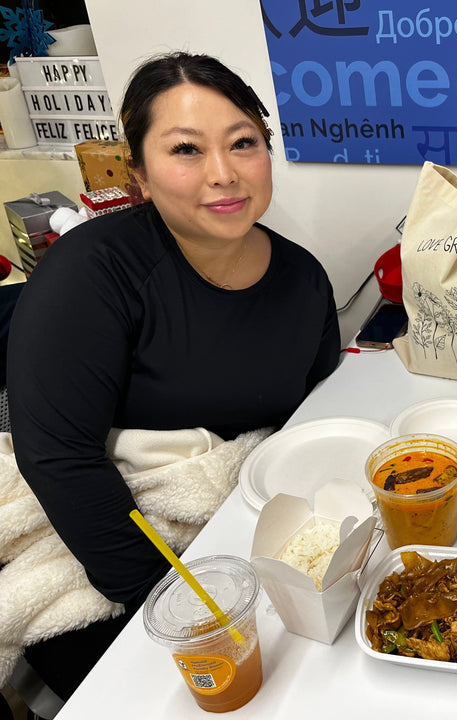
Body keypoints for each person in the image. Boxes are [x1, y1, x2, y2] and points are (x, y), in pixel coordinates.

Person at [4, 52, 340, 703]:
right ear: (141, 176)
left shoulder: (302, 279)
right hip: (113, 553)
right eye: (186, 149)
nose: (223, 173)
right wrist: (177, 609)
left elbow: (304, 425)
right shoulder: (91, 273)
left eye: (243, 143)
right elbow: (59, 457)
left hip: (244, 527)